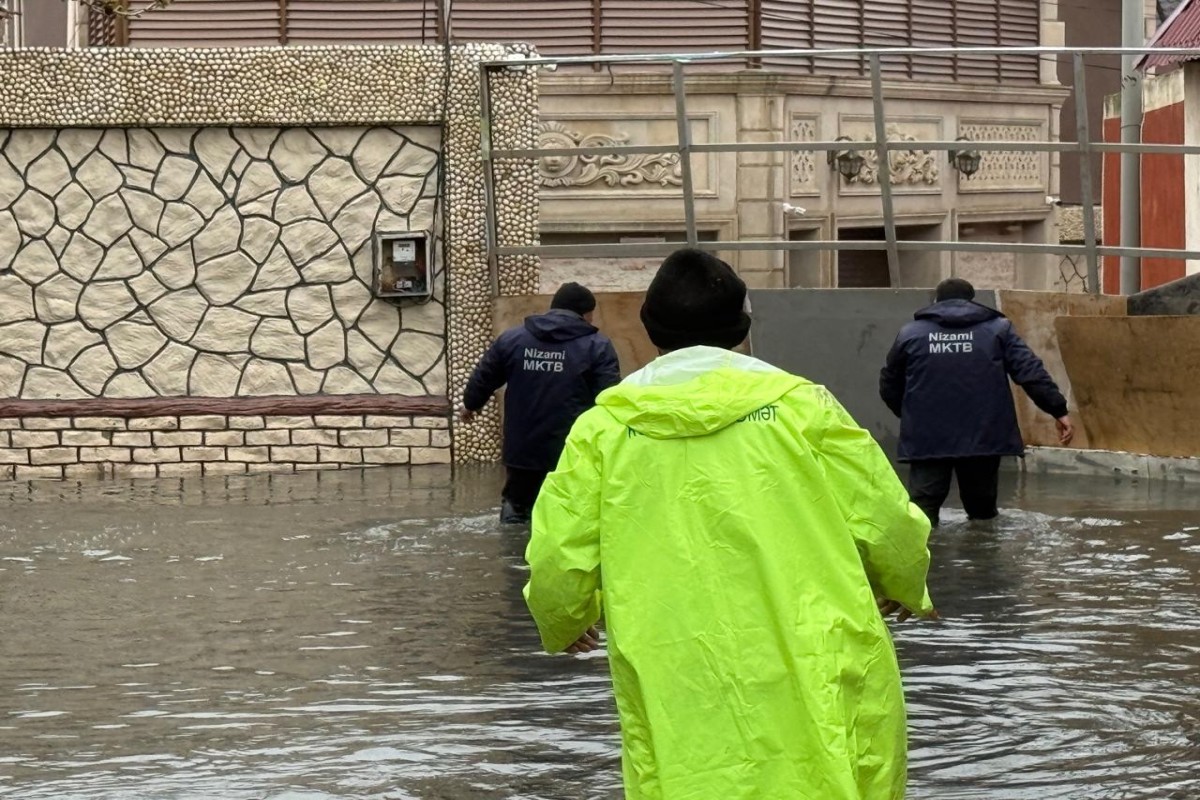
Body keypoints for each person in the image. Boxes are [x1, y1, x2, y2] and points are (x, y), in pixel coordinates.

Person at [524, 249, 936, 799]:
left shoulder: (604, 430)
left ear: (651, 330)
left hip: (676, 665)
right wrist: (901, 582)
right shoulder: (804, 408)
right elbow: (885, 517)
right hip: (818, 653)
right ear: (741, 328)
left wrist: (564, 616)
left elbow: (558, 554)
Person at [879, 277, 1075, 528]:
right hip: (984, 434)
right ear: (972, 301)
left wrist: (912, 416)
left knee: (922, 514)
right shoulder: (998, 330)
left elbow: (889, 384)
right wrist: (1058, 410)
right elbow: (1030, 373)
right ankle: (982, 553)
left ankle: (925, 553)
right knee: (982, 513)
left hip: (928, 436)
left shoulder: (911, 333)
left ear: (936, 301)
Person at [461, 282, 620, 525]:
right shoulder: (596, 346)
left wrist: (471, 404)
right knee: (568, 516)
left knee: (516, 513)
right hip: (571, 450)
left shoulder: (513, 339)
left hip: (522, 450)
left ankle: (513, 547)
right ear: (586, 314)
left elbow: (485, 376)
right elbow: (609, 397)